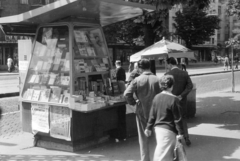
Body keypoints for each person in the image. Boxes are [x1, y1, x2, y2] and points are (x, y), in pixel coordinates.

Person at [124, 59, 161, 161]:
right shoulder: (157, 79)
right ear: (149, 66)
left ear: (140, 68)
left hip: (141, 111)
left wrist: (133, 102)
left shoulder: (137, 80)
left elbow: (127, 94)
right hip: (156, 112)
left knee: (143, 138)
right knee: (157, 137)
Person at [144, 75, 184, 161]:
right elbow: (178, 118)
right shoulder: (174, 99)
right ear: (172, 86)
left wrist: (148, 127)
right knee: (163, 156)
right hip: (169, 130)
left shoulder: (156, 97)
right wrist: (181, 132)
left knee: (166, 154)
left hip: (158, 129)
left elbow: (152, 115)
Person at [165, 57, 193, 146]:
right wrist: (181, 95)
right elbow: (190, 86)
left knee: (173, 119)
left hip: (171, 100)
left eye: (167, 64)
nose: (166, 66)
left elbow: (165, 88)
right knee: (183, 118)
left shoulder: (167, 74)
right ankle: (187, 138)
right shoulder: (184, 73)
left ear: (170, 64)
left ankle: (178, 139)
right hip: (182, 100)